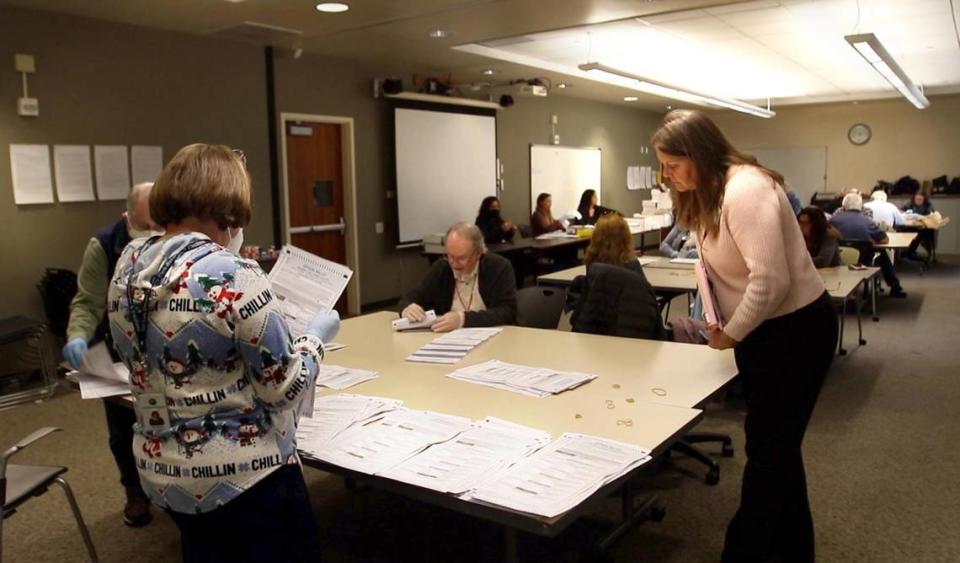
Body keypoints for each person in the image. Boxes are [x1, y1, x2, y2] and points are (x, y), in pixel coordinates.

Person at [107, 144, 339, 562]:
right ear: (228, 209)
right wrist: (314, 340)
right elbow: (283, 389)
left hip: (164, 470)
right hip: (246, 481)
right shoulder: (235, 274)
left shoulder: (129, 264)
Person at [653, 109, 838, 563]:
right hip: (765, 331)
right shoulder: (709, 193)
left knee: (768, 452)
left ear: (697, 154)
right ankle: (796, 551)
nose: (667, 175)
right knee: (777, 448)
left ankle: (742, 553)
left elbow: (769, 282)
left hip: (795, 331)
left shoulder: (747, 190)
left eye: (672, 165)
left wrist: (730, 334)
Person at [61, 182, 159, 527]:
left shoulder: (174, 238)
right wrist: (77, 336)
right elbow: (87, 302)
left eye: (156, 225)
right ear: (126, 217)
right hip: (116, 351)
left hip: (161, 347)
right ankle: (134, 493)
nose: (151, 233)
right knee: (123, 429)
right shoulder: (103, 244)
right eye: (143, 226)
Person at [399, 222, 517, 332]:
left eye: (461, 258)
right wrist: (407, 308)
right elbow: (411, 297)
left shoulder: (498, 267)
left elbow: (507, 311)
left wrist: (463, 319)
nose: (454, 264)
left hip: (492, 335)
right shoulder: (442, 267)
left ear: (478, 253)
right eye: (450, 256)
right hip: (448, 338)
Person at [830, 192, 907, 298]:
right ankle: (894, 286)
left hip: (838, 259)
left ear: (843, 207)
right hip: (863, 261)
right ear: (861, 207)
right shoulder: (867, 221)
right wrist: (871, 240)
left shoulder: (833, 220)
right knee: (882, 253)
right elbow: (885, 240)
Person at [901, 191, 936, 260]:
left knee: (919, 234)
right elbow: (901, 211)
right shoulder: (910, 204)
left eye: (920, 200)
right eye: (917, 199)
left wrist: (922, 218)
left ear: (924, 200)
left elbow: (930, 215)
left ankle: (909, 252)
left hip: (924, 228)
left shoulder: (928, 205)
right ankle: (907, 252)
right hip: (910, 226)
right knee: (904, 232)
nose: (918, 201)